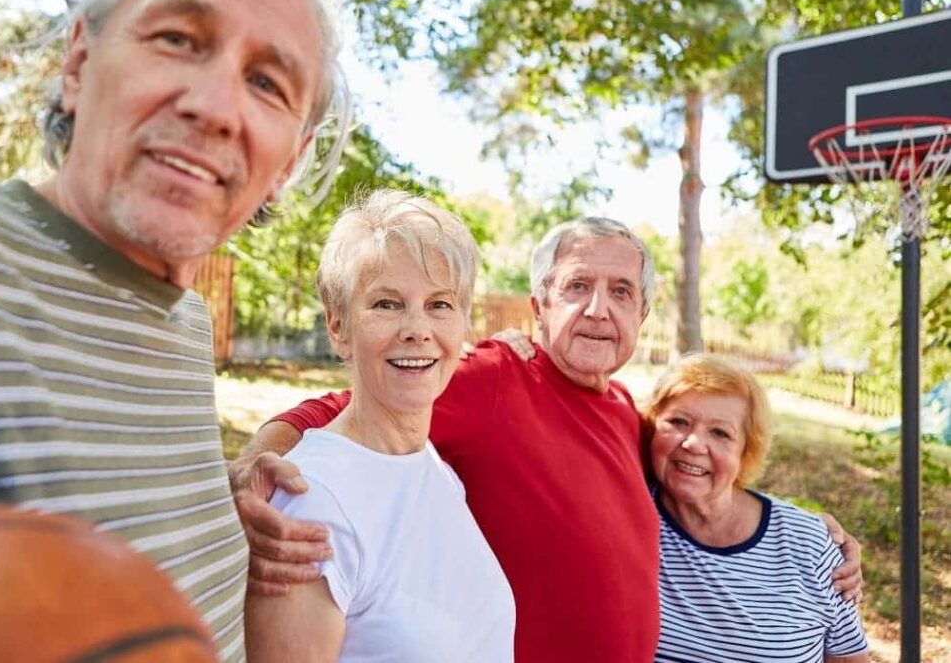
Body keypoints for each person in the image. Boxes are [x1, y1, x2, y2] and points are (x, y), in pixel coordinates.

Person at [0, 0, 349, 660]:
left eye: (267, 83)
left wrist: (217, 516)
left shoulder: (184, 323)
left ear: (290, 161)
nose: (215, 105)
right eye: (178, 39)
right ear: (78, 63)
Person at [229, 217, 865, 662]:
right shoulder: (495, 379)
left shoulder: (624, 411)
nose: (598, 310)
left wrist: (808, 534)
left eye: (621, 292)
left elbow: (697, 468)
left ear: (641, 317)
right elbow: (345, 404)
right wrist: (263, 454)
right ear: (539, 305)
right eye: (577, 287)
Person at [244, 189, 514, 662]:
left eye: (440, 305)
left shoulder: (434, 470)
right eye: (386, 304)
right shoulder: (313, 502)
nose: (417, 328)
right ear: (338, 328)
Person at [645, 354, 869, 663]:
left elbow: (849, 658)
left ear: (746, 451)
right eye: (678, 422)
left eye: (720, 433)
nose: (694, 443)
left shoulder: (809, 544)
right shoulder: (627, 514)